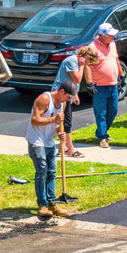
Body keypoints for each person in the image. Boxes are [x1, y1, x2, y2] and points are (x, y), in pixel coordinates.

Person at [28, 80, 78, 219]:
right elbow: (34, 120)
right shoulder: (44, 99)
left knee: (52, 172)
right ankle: (42, 205)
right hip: (36, 141)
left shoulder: (63, 103)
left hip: (49, 142)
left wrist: (59, 132)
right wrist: (53, 120)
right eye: (68, 96)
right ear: (62, 91)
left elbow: (57, 124)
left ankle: (52, 203)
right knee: (42, 171)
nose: (68, 100)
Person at [90, 22, 125, 149]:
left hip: (113, 84)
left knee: (113, 110)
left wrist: (121, 74)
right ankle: (103, 137)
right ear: (103, 35)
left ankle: (100, 132)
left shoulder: (112, 44)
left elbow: (116, 59)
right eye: (111, 35)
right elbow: (87, 67)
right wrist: (89, 83)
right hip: (99, 85)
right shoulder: (92, 48)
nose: (113, 37)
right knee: (101, 112)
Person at [50, 47, 87, 158]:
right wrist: (82, 66)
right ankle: (70, 150)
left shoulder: (74, 61)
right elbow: (77, 79)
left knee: (63, 122)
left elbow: (70, 81)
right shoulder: (72, 61)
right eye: (88, 61)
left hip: (68, 94)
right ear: (85, 57)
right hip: (61, 95)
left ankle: (63, 148)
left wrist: (75, 94)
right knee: (66, 122)